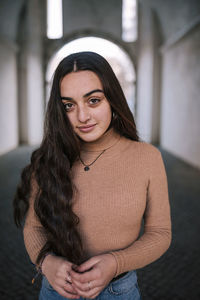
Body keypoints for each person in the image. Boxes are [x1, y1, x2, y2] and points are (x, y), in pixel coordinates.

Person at [13, 51, 171, 300]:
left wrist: (116, 262)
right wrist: (46, 262)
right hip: (57, 291)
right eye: (69, 105)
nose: (82, 116)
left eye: (93, 101)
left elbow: (160, 232)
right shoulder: (48, 159)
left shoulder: (147, 157)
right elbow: (33, 227)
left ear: (112, 99)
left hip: (119, 292)